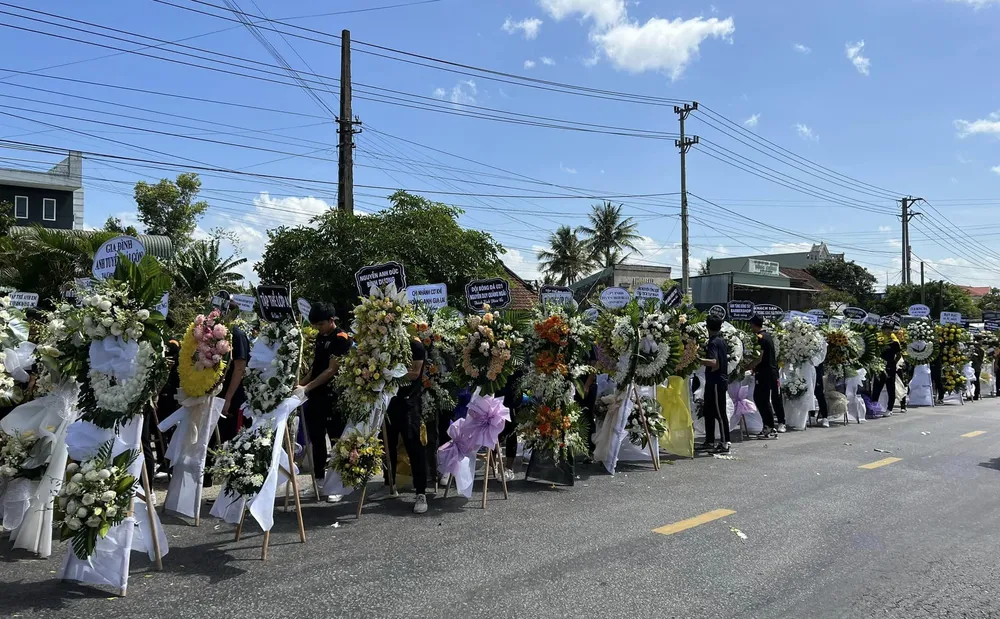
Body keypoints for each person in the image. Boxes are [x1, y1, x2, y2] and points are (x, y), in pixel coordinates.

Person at [300, 303, 352, 500]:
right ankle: (319, 481)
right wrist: (299, 385)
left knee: (337, 440)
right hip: (316, 396)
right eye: (315, 325)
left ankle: (338, 485)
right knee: (317, 439)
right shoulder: (320, 338)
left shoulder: (341, 339)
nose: (318, 328)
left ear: (332, 320)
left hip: (334, 396)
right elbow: (316, 367)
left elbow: (331, 370)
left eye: (321, 324)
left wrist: (307, 387)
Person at [206, 298, 250, 487]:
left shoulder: (237, 335)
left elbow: (239, 369)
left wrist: (228, 399)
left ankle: (234, 486)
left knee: (231, 441)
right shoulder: (215, 337)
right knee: (211, 440)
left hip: (232, 397)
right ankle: (207, 481)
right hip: (216, 394)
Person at [384, 336, 430, 514]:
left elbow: (415, 373)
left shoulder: (415, 345)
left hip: (409, 403)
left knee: (414, 446)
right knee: (387, 444)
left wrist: (391, 374)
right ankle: (390, 484)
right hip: (389, 401)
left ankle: (420, 492)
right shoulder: (384, 343)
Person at [748, 315, 786, 437]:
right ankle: (769, 426)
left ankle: (769, 427)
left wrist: (747, 367)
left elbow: (759, 358)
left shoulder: (760, 338)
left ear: (754, 324)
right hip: (771, 371)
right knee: (763, 399)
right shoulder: (768, 336)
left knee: (760, 399)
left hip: (764, 372)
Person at [699, 316, 731, 454]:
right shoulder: (721, 341)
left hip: (717, 381)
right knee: (709, 412)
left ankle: (725, 443)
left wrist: (698, 359)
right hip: (714, 381)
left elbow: (714, 362)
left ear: (707, 327)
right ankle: (710, 441)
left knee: (719, 412)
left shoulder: (713, 343)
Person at [872, 325, 902, 414]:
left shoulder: (894, 342)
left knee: (890, 388)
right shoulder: (878, 341)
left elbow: (899, 355)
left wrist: (893, 363)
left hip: (890, 367)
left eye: (890, 330)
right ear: (882, 330)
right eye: (886, 329)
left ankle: (890, 408)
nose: (888, 331)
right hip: (879, 366)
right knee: (877, 388)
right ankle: (874, 407)